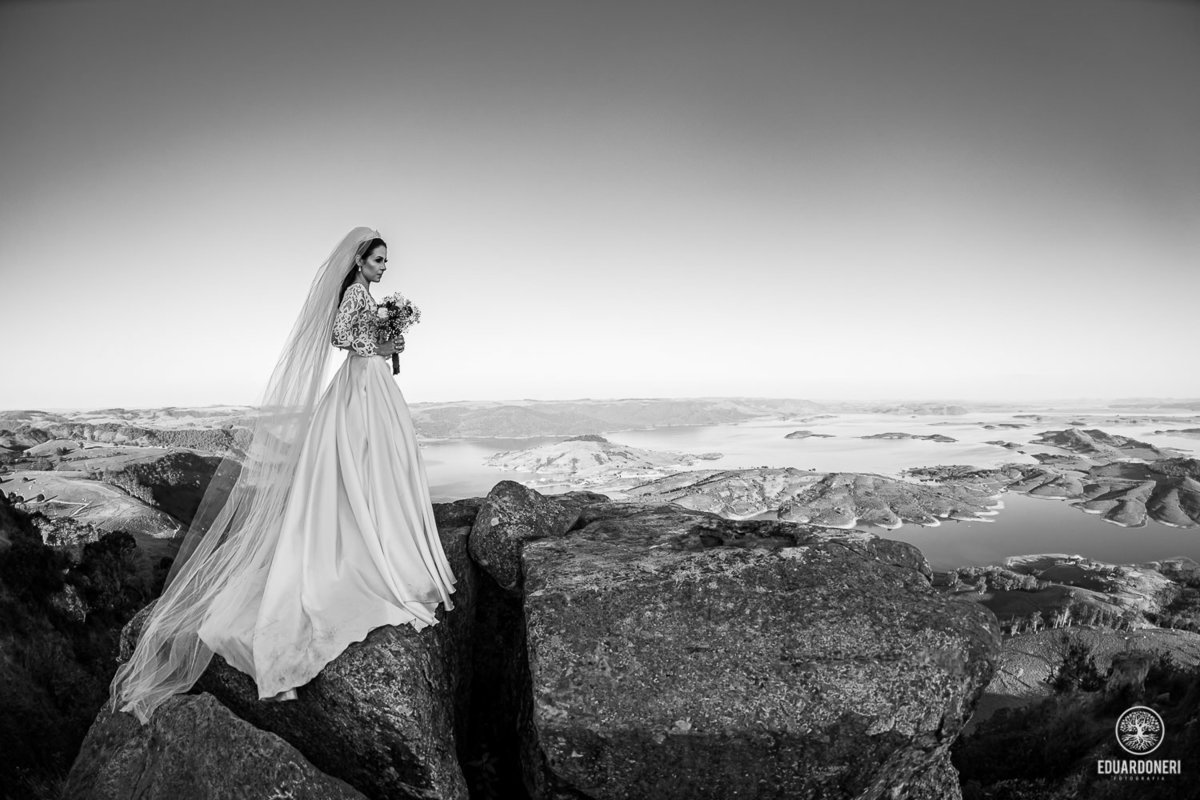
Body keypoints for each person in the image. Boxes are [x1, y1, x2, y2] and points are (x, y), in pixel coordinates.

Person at [108, 227, 457, 722]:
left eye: (386, 261)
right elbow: (341, 337)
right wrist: (380, 342)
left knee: (374, 462)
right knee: (365, 461)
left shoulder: (368, 297)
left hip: (370, 384)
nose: (384, 267)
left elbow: (361, 341)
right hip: (360, 386)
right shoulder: (355, 295)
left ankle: (377, 531)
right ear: (360, 261)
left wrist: (386, 342)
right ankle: (371, 546)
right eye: (379, 259)